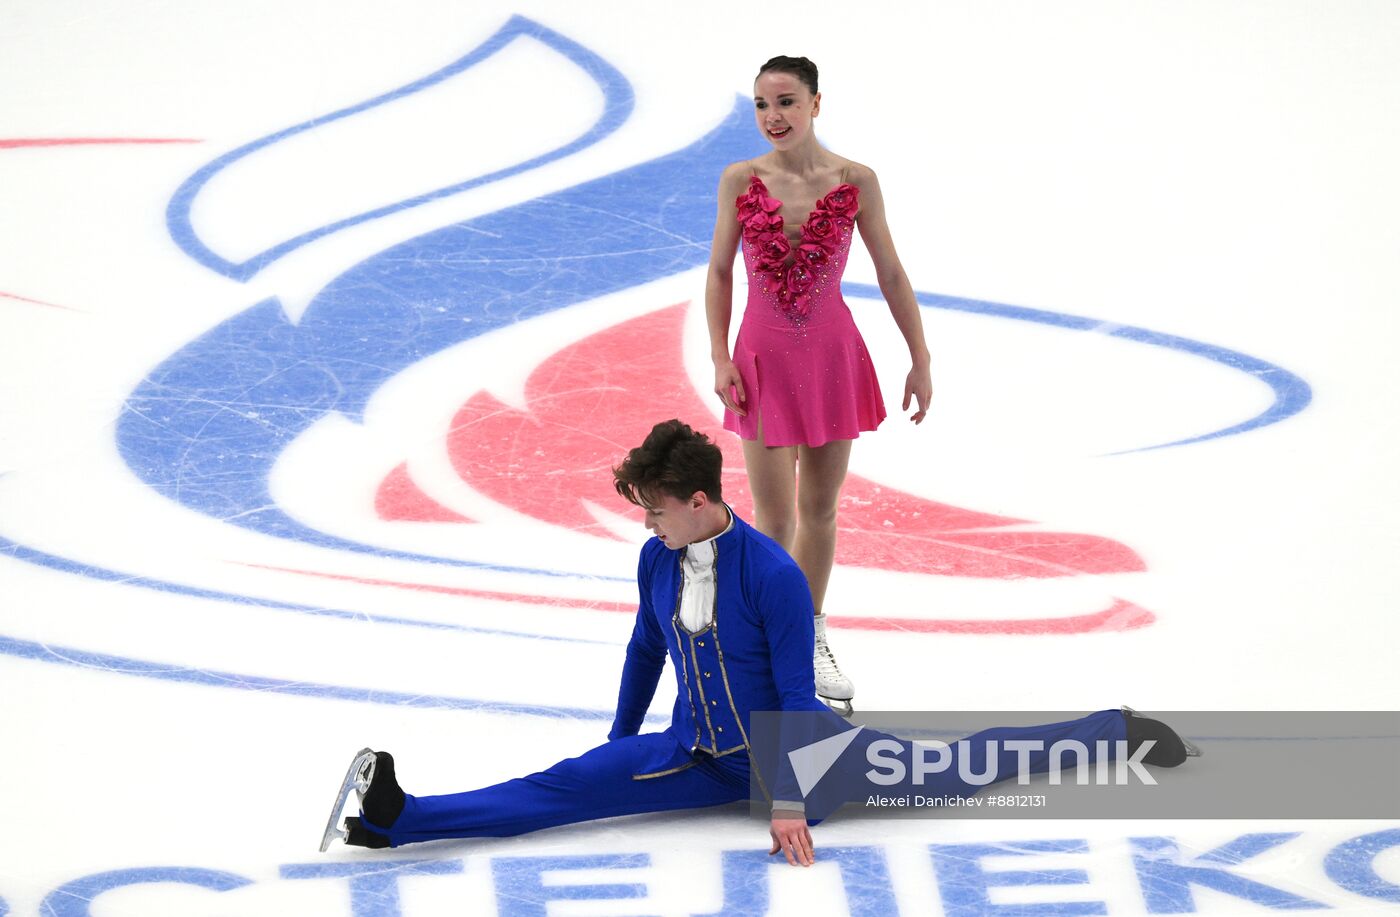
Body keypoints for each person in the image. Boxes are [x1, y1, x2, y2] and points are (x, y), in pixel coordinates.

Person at [320, 420, 1198, 863]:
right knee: (559, 787)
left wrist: (785, 802)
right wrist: (620, 745)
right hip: (696, 752)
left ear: (700, 500)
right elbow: (643, 653)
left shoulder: (770, 573)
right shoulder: (656, 561)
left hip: (802, 755)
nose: (647, 520)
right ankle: (401, 819)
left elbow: (798, 699)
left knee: (958, 767)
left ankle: (1108, 729)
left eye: (656, 506)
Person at [706, 55, 933, 714]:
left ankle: (809, 634)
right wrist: (719, 357)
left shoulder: (856, 181)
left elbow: (890, 270)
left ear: (815, 104)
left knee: (820, 511)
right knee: (772, 518)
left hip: (832, 357)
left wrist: (919, 355)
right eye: (761, 105)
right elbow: (720, 272)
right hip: (764, 362)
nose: (773, 117)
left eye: (785, 102)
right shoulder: (739, 179)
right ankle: (761, 644)